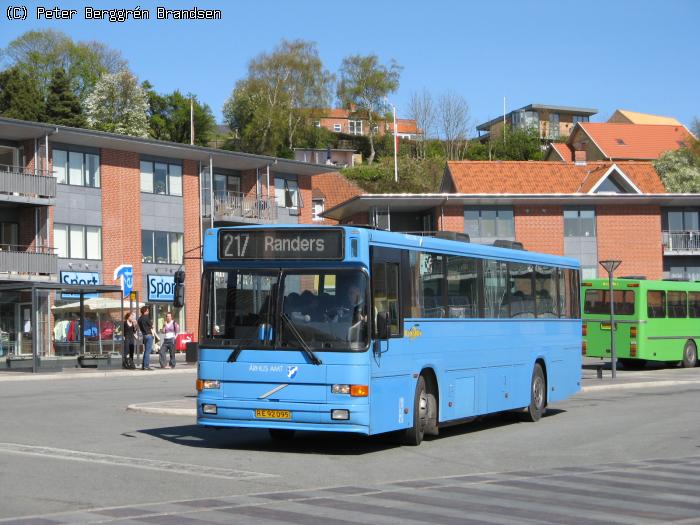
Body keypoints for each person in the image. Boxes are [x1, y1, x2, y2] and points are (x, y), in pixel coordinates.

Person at [137, 306, 154, 370]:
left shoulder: (139, 319)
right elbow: (151, 325)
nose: (148, 312)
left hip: (144, 335)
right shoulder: (146, 318)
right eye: (147, 311)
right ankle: (146, 366)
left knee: (145, 351)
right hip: (149, 335)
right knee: (148, 351)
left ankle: (143, 365)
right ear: (145, 311)